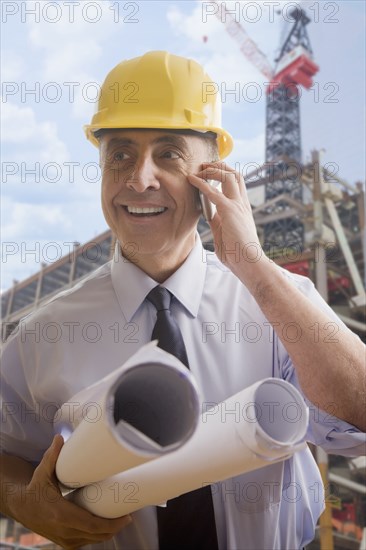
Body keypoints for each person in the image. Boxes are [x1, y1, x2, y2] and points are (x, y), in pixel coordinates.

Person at [1, 50, 365, 550]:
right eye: (120, 154)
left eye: (169, 153)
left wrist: (255, 266)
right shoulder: (44, 334)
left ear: (211, 175)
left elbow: (359, 416)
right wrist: (21, 498)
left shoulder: (277, 302)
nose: (139, 178)